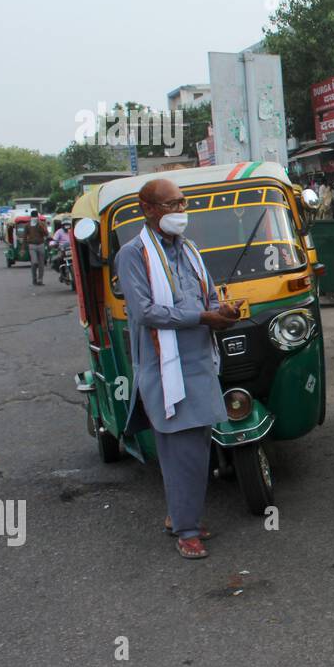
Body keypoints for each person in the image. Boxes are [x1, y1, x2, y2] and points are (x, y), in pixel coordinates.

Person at [115, 178, 241, 560]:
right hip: (165, 367)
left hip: (199, 362)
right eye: (172, 205)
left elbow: (210, 295)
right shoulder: (133, 254)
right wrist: (202, 316)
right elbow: (145, 312)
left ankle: (179, 516)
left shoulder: (190, 250)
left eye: (183, 204)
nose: (180, 212)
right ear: (148, 209)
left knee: (196, 447)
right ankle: (187, 531)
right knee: (180, 450)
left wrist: (222, 310)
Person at [25, 211, 49, 285]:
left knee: (41, 264)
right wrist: (23, 247)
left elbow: (46, 234)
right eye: (33, 217)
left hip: (41, 244)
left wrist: (40, 226)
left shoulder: (42, 224)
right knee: (34, 262)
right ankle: (34, 279)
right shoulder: (28, 225)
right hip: (32, 245)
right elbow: (24, 236)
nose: (34, 218)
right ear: (31, 217)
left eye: (35, 217)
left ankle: (40, 280)